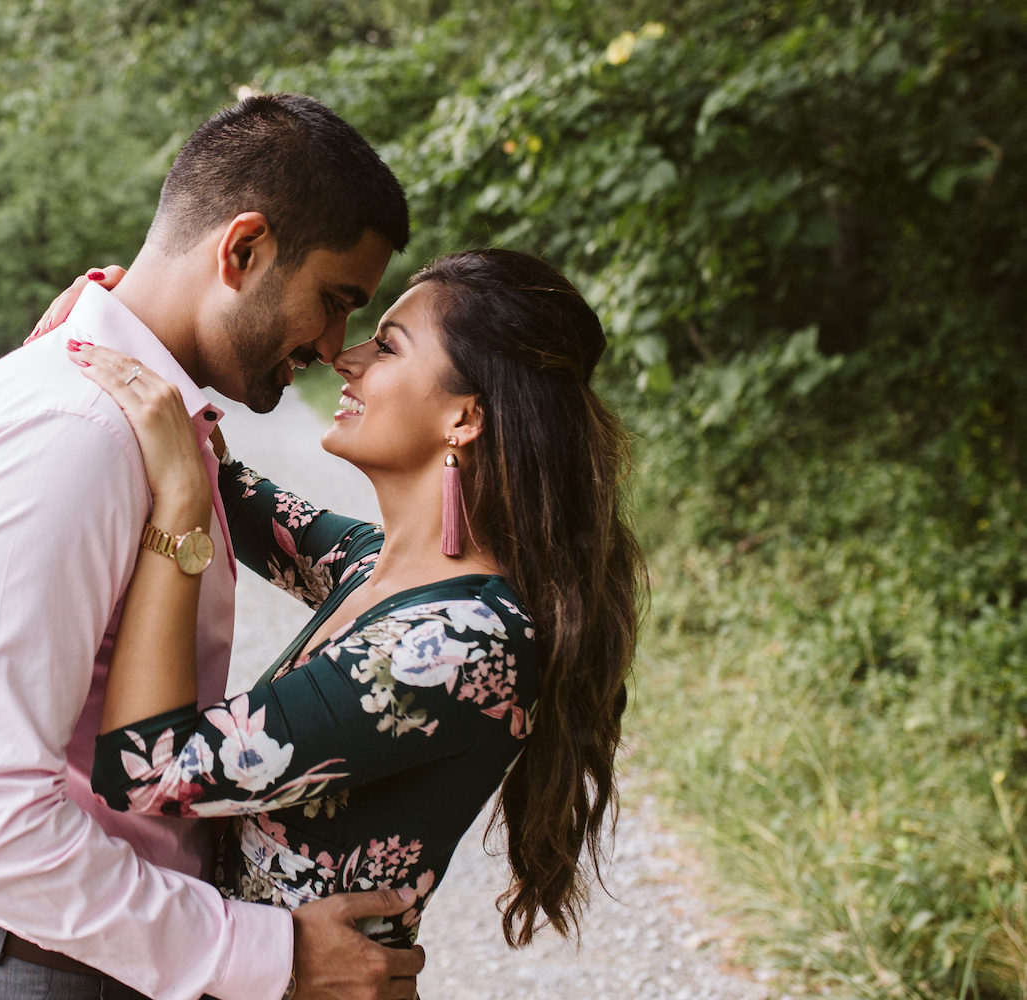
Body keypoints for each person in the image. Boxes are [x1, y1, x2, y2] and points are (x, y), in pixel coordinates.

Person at [0, 94, 426, 1000]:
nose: (335, 347)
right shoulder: (72, 431)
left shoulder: (150, 422)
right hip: (40, 975)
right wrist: (272, 956)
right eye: (334, 302)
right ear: (243, 249)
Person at [55, 247, 645, 964]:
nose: (348, 358)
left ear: (464, 417)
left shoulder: (462, 641)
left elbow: (152, 768)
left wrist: (180, 505)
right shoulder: (375, 563)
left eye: (388, 346)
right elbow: (230, 490)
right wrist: (120, 322)